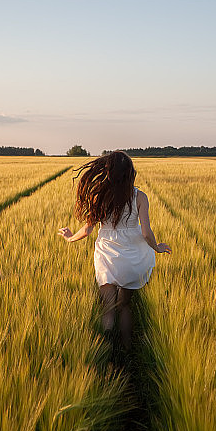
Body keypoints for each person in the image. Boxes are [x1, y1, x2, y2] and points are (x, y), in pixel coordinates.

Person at [57, 151, 171, 353]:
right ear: (130, 173)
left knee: (107, 306)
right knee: (124, 305)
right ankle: (126, 349)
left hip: (107, 256)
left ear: (107, 172)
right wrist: (158, 248)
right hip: (133, 257)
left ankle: (107, 352)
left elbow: (87, 230)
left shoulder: (99, 195)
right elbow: (146, 233)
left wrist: (69, 237)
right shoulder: (140, 197)